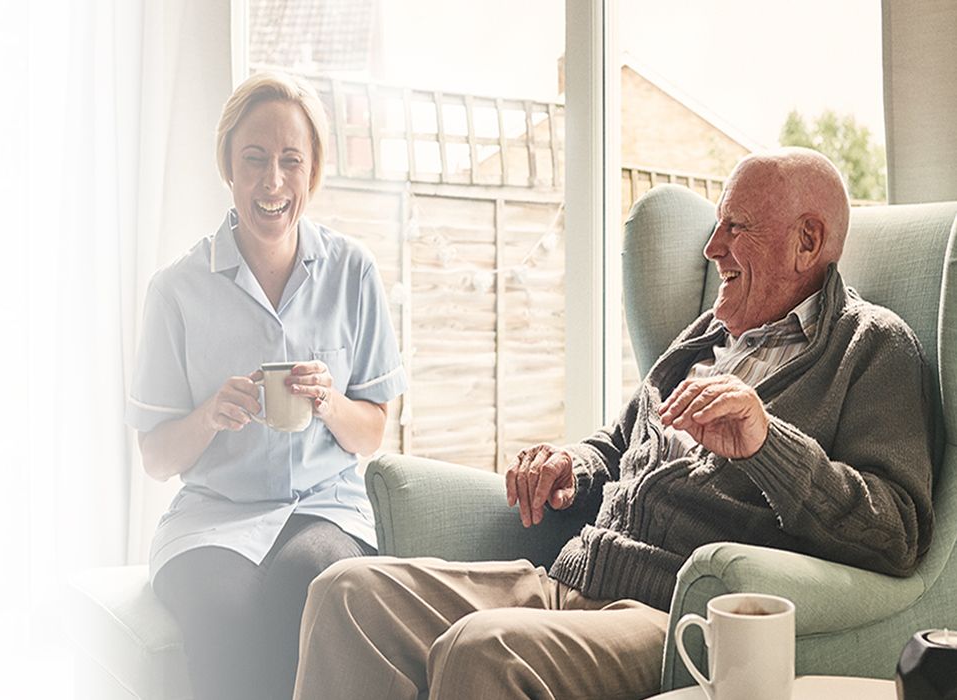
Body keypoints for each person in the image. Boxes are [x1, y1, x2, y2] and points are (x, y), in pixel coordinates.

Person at [292, 147, 937, 700]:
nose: (712, 250)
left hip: (674, 609)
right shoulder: (707, 335)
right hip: (572, 577)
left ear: (807, 241)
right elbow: (621, 441)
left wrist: (767, 442)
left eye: (736, 228)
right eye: (716, 227)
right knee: (347, 591)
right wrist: (572, 464)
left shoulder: (871, 346)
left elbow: (898, 532)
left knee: (485, 650)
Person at [124, 71, 407, 700]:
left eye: (290, 162)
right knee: (222, 607)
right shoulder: (176, 290)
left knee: (314, 583)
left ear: (312, 173)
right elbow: (155, 456)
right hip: (212, 517)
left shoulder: (352, 271)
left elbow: (372, 430)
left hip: (323, 508)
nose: (272, 181)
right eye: (254, 159)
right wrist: (208, 416)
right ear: (227, 163)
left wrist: (329, 402)